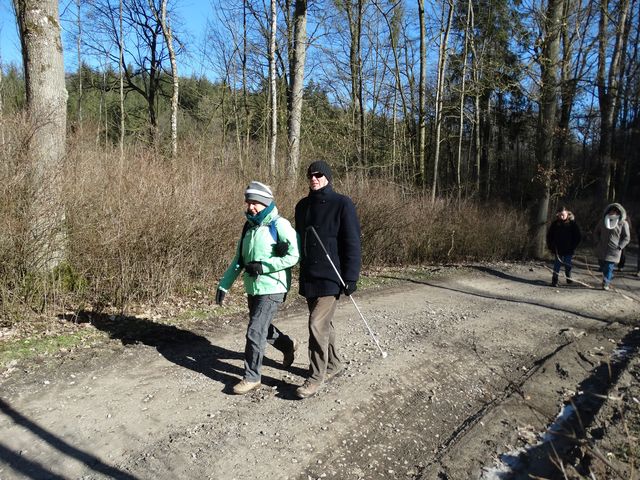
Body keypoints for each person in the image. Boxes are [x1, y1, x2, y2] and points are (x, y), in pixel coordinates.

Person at [216, 181, 300, 394]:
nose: (251, 207)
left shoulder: (279, 225)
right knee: (261, 327)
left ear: (266, 203)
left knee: (254, 331)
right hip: (253, 287)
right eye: (249, 202)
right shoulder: (249, 227)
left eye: (255, 202)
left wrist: (265, 266)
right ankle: (288, 345)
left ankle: (252, 377)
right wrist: (224, 285)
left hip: (273, 286)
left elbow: (294, 255)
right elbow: (239, 260)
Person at [294, 160, 361, 399]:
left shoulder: (342, 204)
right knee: (324, 325)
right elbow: (298, 239)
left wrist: (351, 276)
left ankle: (315, 377)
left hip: (332, 276)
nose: (314, 178)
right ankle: (333, 363)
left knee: (316, 324)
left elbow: (351, 241)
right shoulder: (302, 206)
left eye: (319, 174)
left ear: (328, 177)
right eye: (310, 175)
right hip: (309, 276)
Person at [594, 202, 630, 290]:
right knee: (603, 267)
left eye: (615, 211)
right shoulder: (603, 221)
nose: (612, 212)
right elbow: (596, 232)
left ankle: (606, 283)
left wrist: (620, 246)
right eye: (611, 210)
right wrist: (597, 242)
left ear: (619, 212)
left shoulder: (623, 223)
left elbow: (627, 237)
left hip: (614, 250)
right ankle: (608, 277)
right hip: (602, 248)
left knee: (609, 267)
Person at [546, 206, 582, 287]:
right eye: (560, 215)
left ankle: (568, 276)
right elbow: (549, 236)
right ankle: (554, 280)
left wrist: (573, 246)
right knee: (557, 265)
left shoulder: (572, 224)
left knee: (567, 264)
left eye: (563, 215)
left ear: (567, 214)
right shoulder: (555, 224)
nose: (561, 216)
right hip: (558, 249)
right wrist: (551, 246)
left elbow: (578, 237)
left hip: (568, 249)